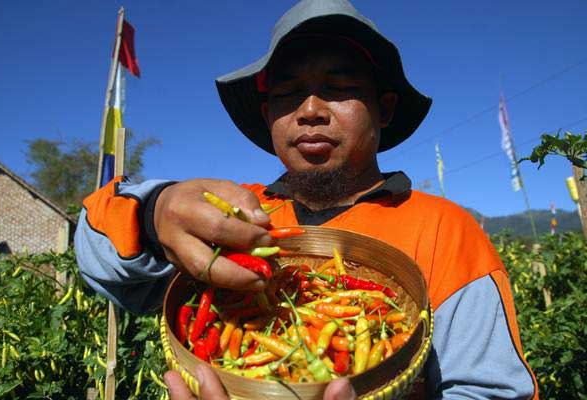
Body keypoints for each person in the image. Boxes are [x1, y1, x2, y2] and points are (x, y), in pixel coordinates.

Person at [75, 0, 538, 398]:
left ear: (385, 108)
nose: (311, 110)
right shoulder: (235, 215)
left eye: (339, 89)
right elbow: (94, 245)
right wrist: (157, 215)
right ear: (268, 115)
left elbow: (492, 389)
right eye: (288, 93)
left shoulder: (443, 230)